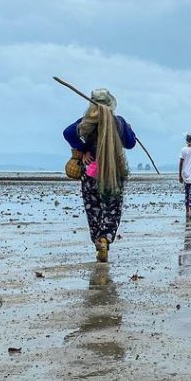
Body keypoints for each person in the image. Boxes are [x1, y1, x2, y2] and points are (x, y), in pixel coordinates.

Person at [62, 89, 136, 262]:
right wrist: (129, 130)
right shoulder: (119, 122)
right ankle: (104, 239)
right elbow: (130, 143)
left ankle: (97, 239)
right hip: (113, 174)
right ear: (110, 104)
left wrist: (83, 151)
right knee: (112, 210)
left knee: (93, 209)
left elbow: (68, 133)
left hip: (90, 172)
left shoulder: (86, 122)